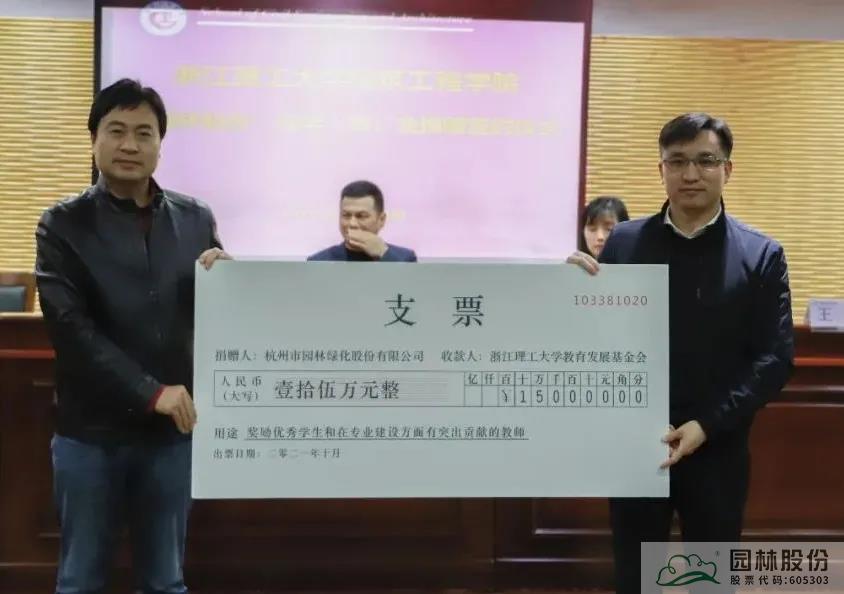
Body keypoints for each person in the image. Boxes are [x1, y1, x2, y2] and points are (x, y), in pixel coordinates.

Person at [567, 113, 794, 594]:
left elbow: (774, 358)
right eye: (677, 161)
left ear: (727, 169)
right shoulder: (624, 243)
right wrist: (571, 291)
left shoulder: (761, 254)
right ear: (661, 170)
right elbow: (598, 337)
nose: (691, 174)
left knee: (711, 580)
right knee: (636, 576)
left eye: (706, 160)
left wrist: (706, 425)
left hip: (717, 446)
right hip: (635, 444)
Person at [36, 78, 230, 594]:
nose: (129, 144)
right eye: (116, 130)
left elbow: (210, 316)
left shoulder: (196, 218)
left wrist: (229, 283)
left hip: (170, 438)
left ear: (160, 144)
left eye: (144, 133)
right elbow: (71, 330)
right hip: (89, 435)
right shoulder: (61, 225)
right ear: (94, 139)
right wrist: (151, 391)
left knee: (165, 580)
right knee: (80, 580)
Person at [308, 180, 417, 262]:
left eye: (361, 216)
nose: (352, 224)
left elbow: (406, 285)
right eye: (346, 215)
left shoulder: (405, 259)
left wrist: (384, 254)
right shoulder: (319, 262)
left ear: (381, 219)